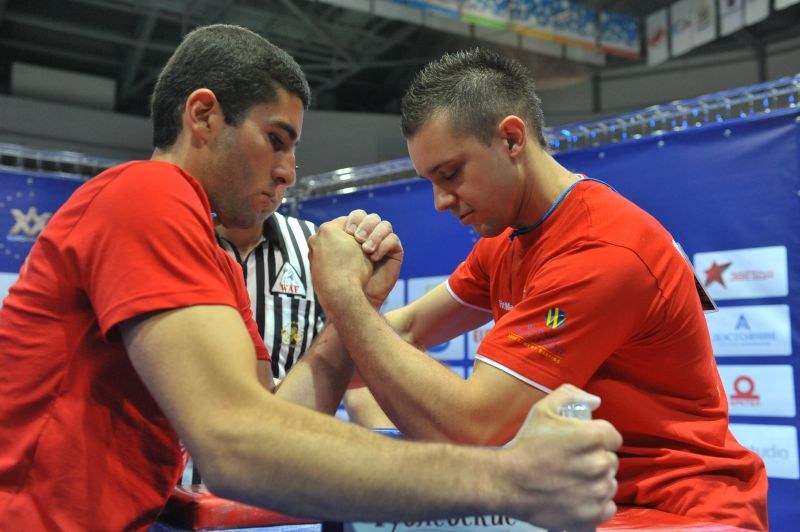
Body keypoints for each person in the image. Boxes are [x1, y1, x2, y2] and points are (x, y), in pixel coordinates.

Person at [0, 26, 622, 531]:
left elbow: (270, 419)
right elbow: (238, 444)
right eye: (276, 140)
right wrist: (512, 480)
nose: (289, 171)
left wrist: (346, 306)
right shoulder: (147, 192)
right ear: (203, 115)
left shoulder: (207, 251)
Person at [309, 48, 769, 530]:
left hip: (679, 510)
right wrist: (271, 415)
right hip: (587, 499)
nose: (441, 201)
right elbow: (397, 336)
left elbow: (472, 425)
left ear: (511, 138)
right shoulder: (509, 238)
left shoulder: (599, 251)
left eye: (450, 174)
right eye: (429, 181)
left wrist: (344, 296)